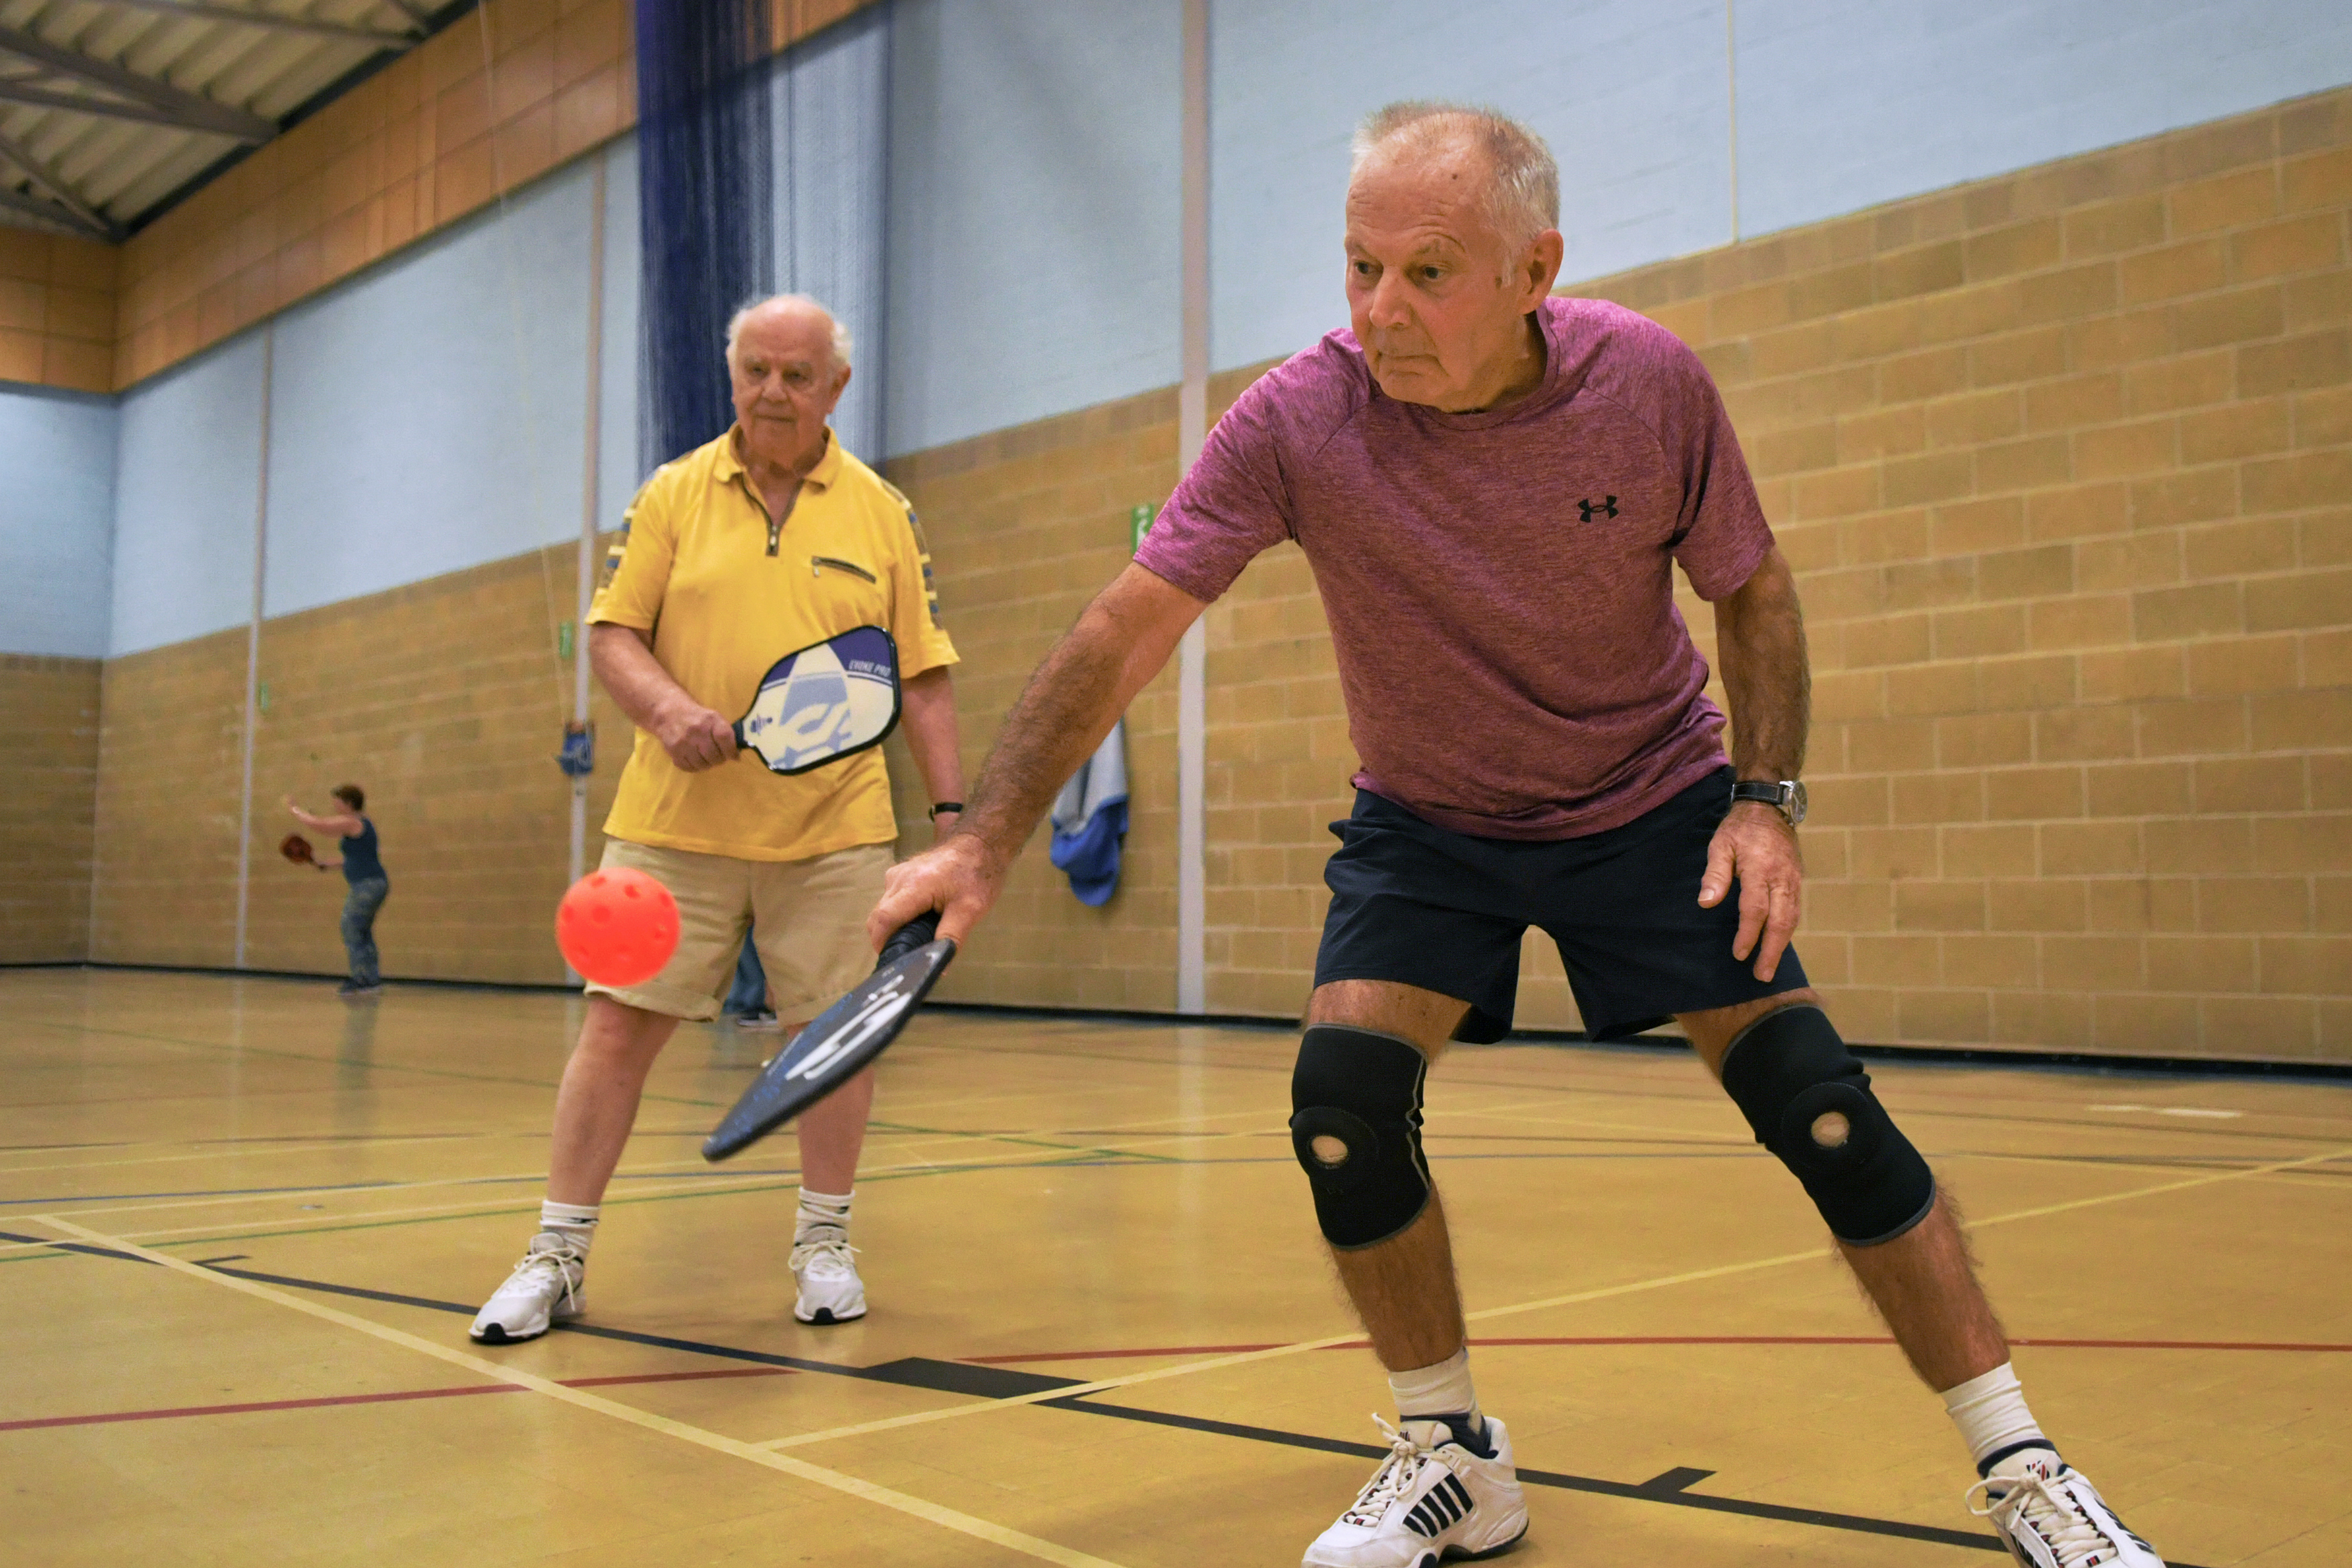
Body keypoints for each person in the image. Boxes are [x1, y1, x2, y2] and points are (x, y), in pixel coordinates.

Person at [871, 104, 2165, 1568]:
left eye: (1429, 272)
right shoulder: (1299, 418)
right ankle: (1449, 1457)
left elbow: (1751, 592)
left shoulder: (1648, 385)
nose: (1379, 312)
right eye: (1358, 266)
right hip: (1429, 822)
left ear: (1535, 268)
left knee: (1819, 1110)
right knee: (1342, 1108)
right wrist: (979, 843)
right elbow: (1124, 631)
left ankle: (2024, 1467)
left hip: (1648, 801)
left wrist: (1764, 799)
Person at [471, 294, 966, 1343]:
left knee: (834, 1043)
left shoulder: (881, 509)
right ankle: (555, 1253)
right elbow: (613, 635)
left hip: (836, 834)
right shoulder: (672, 494)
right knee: (614, 1031)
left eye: (797, 375)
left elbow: (919, 676)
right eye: (756, 371)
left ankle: (825, 1243)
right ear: (731, 376)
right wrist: (667, 708)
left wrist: (955, 821)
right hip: (667, 829)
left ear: (836, 387)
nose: (773, 392)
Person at [285, 786, 388, 998]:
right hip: (374, 883)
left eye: (337, 801)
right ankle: (371, 980)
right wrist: (326, 864)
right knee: (361, 931)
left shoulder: (353, 821)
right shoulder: (361, 825)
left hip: (367, 885)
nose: (334, 805)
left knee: (350, 926)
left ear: (348, 803)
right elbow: (356, 860)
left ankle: (362, 980)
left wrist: (294, 810)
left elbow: (320, 825)